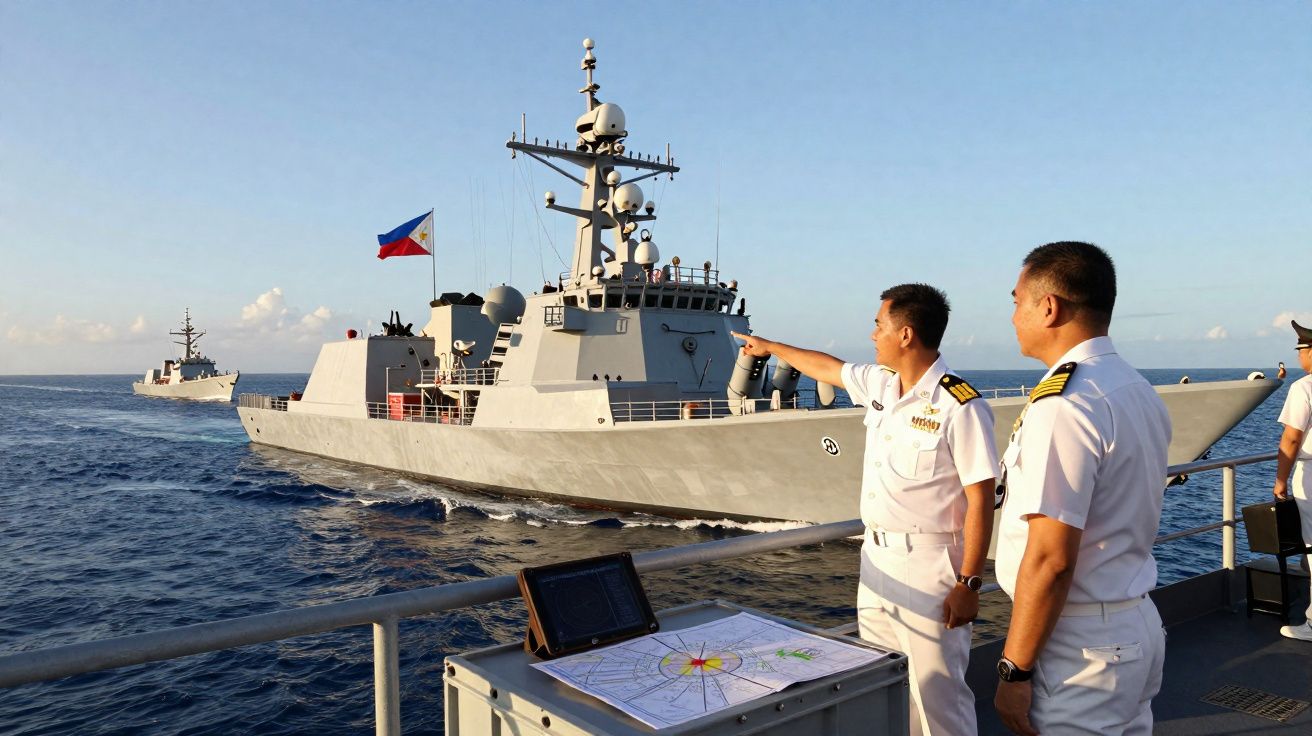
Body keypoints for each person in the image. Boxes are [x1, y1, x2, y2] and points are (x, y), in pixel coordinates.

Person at [732, 283, 997, 736]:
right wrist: (770, 346)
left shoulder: (959, 405)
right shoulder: (880, 383)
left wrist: (969, 582)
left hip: (929, 566)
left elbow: (981, 497)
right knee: (885, 685)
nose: (873, 333)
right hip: (875, 562)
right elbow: (827, 367)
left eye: (879, 324)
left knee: (938, 698)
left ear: (906, 334)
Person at [993, 242, 1171, 735]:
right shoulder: (1133, 387)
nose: (1011, 317)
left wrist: (1015, 669)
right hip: (1135, 624)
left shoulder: (1064, 404)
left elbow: (1051, 559)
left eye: (1015, 301)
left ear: (1048, 307)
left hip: (1080, 647)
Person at [1273, 319, 1312, 641]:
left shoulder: (1304, 388)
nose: (1300, 357)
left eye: (1302, 350)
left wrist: (1280, 481)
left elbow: (1291, 439)